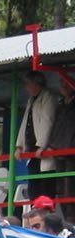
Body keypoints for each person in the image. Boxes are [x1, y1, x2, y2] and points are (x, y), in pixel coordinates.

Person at [15, 70, 57, 200]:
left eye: (29, 84)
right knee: (34, 187)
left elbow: (47, 121)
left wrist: (42, 145)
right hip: (32, 151)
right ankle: (35, 214)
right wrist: (19, 146)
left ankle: (45, 215)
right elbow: (25, 124)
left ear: (37, 84)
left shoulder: (48, 98)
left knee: (46, 186)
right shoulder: (31, 100)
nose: (27, 87)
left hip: (43, 149)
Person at [49, 78, 75, 222]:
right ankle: (67, 220)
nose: (63, 87)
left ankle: (72, 220)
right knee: (61, 189)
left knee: (69, 186)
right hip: (58, 150)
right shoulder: (60, 105)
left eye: (66, 84)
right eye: (61, 84)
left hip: (71, 152)